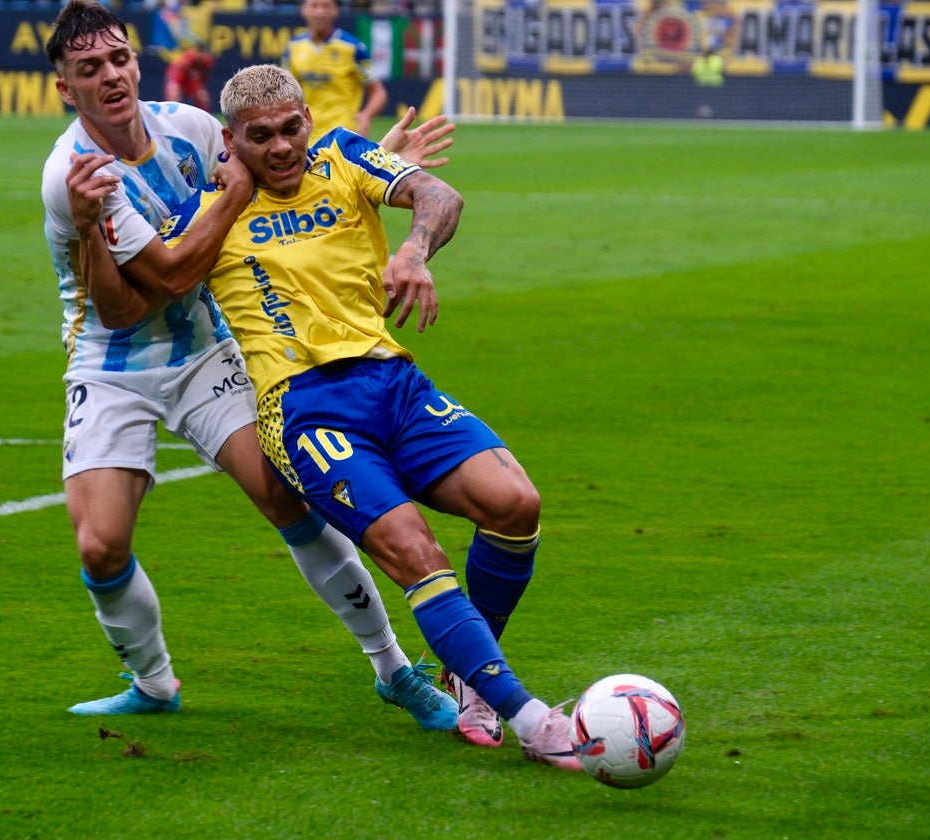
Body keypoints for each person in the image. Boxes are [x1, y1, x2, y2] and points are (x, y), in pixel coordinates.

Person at [66, 64, 583, 770]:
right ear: (231, 140)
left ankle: (468, 670)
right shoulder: (211, 214)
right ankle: (528, 717)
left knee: (516, 505)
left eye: (290, 128)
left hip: (393, 381)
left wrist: (413, 248)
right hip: (303, 409)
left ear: (308, 118)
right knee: (415, 551)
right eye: (260, 137)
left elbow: (437, 193)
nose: (281, 147)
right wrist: (89, 228)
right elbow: (137, 297)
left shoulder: (343, 153)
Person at [41, 0, 460, 729]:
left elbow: (281, 174)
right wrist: (231, 193)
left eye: (118, 59)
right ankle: (154, 682)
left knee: (288, 497)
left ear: (136, 60)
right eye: (89, 69)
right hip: (112, 362)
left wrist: (365, 165)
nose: (110, 76)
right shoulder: (75, 175)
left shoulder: (195, 130)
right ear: (64, 87)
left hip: (205, 347)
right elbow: (150, 291)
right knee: (101, 545)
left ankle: (393, 668)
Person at [283, 0, 387, 144]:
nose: (320, 12)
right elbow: (286, 93)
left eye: (326, 6)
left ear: (335, 10)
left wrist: (366, 115)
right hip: (307, 134)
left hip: (344, 136)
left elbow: (378, 92)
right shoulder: (293, 48)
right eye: (314, 6)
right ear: (303, 10)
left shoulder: (354, 48)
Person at [154, 0, 216, 112]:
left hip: (190, 76)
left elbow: (202, 78)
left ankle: (207, 120)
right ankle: (170, 118)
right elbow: (175, 73)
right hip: (178, 69)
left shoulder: (207, 60)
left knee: (202, 97)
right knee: (173, 94)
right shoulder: (185, 59)